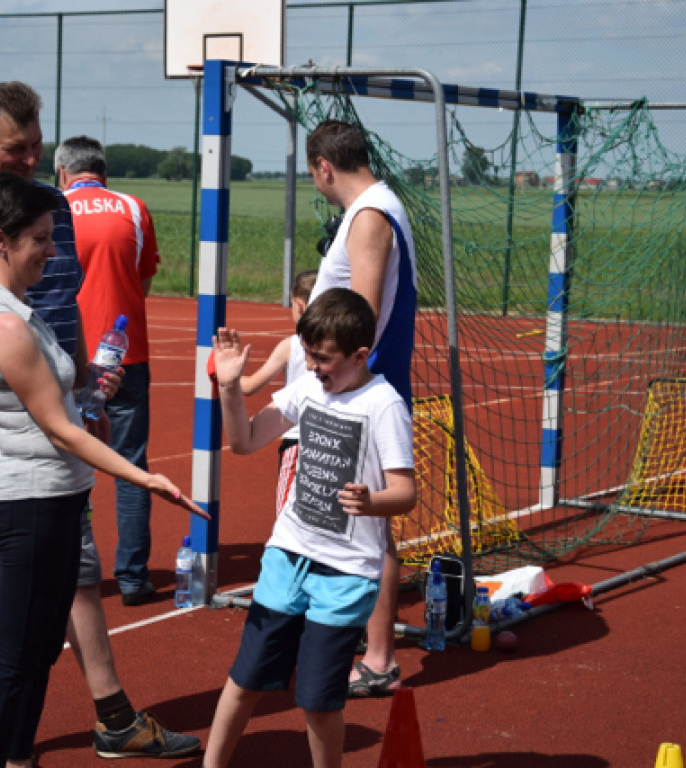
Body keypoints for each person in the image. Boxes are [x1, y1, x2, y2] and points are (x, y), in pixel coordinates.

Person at [0, 81, 200, 765]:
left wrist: (78, 389)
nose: (32, 158)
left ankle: (99, 715)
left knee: (63, 587)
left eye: (39, 146)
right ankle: (8, 735)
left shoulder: (52, 210)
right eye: (18, 149)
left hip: (57, 414)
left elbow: (61, 310)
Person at [204, 287, 416, 768]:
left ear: (360, 355)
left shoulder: (383, 405)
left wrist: (372, 500)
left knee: (319, 702)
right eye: (308, 355)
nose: (314, 367)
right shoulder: (308, 388)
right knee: (245, 681)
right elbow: (244, 440)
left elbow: (406, 493)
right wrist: (230, 387)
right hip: (287, 557)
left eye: (323, 359)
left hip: (344, 574)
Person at [304, 119, 417, 698]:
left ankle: (377, 658)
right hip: (354, 389)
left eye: (315, 178)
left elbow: (359, 315)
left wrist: (334, 383)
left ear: (324, 167)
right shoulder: (376, 209)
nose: (318, 187)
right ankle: (363, 646)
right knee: (355, 521)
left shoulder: (370, 215)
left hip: (361, 396)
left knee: (370, 527)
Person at [54, 135, 160, 606]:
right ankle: (134, 578)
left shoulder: (52, 207)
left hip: (64, 355)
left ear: (62, 171)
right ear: (103, 171)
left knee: (63, 465)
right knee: (131, 466)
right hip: (126, 353)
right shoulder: (133, 208)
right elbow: (144, 279)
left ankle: (70, 572)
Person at [238, 269, 317, 517]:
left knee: (288, 517)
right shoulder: (341, 346)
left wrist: (224, 375)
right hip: (332, 439)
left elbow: (249, 386)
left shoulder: (291, 346)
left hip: (297, 440)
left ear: (300, 305)